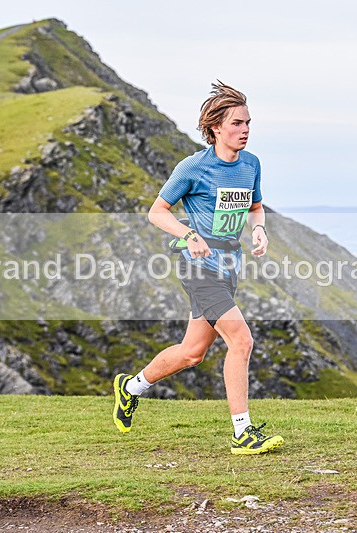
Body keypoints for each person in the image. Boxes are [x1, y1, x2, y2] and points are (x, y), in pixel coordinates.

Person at [112, 81, 283, 455]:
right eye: (237, 123)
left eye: (248, 122)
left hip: (229, 266)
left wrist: (259, 231)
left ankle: (130, 387)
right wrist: (189, 235)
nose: (245, 130)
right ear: (216, 126)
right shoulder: (193, 167)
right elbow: (156, 212)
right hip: (198, 267)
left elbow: (255, 206)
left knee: (193, 353)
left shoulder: (251, 164)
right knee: (242, 340)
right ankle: (243, 433)